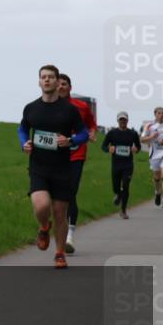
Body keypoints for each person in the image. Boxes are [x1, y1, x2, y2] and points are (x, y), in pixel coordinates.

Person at [18, 65, 89, 269]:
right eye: (43, 77)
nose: (47, 80)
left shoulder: (69, 110)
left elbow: (83, 133)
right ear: (39, 82)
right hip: (39, 166)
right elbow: (23, 128)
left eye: (51, 77)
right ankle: (43, 226)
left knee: (60, 212)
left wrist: (71, 140)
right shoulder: (31, 108)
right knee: (41, 206)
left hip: (62, 168)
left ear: (58, 82)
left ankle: (59, 253)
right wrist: (24, 143)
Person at [57, 74, 97, 253]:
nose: (60, 87)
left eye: (64, 84)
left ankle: (70, 236)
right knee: (56, 196)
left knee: (71, 192)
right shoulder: (49, 106)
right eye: (58, 84)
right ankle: (58, 228)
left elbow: (91, 124)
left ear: (70, 87)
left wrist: (93, 132)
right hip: (55, 156)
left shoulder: (81, 106)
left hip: (76, 154)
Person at [101, 112, 141, 218]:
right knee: (116, 186)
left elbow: (138, 146)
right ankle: (118, 194)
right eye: (121, 120)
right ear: (118, 121)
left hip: (128, 165)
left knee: (126, 186)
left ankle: (123, 210)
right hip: (116, 164)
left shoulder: (133, 133)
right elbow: (103, 146)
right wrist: (109, 149)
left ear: (127, 121)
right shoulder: (112, 133)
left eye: (124, 120)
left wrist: (135, 149)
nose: (123, 121)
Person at [141, 107, 163, 207]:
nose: (161, 115)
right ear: (155, 114)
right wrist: (151, 137)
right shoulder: (149, 126)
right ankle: (157, 192)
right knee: (157, 177)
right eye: (159, 113)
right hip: (154, 155)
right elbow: (142, 139)